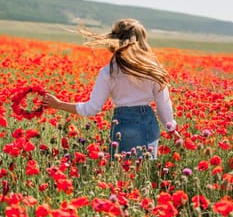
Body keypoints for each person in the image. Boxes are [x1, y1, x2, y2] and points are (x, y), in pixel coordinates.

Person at [42, 18, 178, 159]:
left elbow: (91, 109)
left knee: (124, 175)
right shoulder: (152, 70)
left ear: (114, 39)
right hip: (149, 124)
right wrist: (170, 128)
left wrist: (58, 104)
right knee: (142, 173)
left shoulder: (109, 72)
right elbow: (163, 104)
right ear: (143, 41)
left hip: (124, 125)